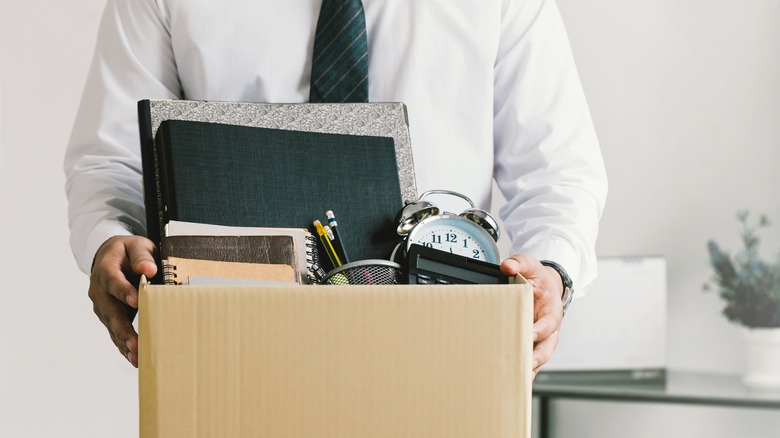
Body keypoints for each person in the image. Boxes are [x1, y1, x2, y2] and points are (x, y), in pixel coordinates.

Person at [65, 0, 608, 375]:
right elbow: (112, 159)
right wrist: (108, 239)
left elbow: (558, 173)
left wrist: (552, 271)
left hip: (442, 346)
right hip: (233, 349)